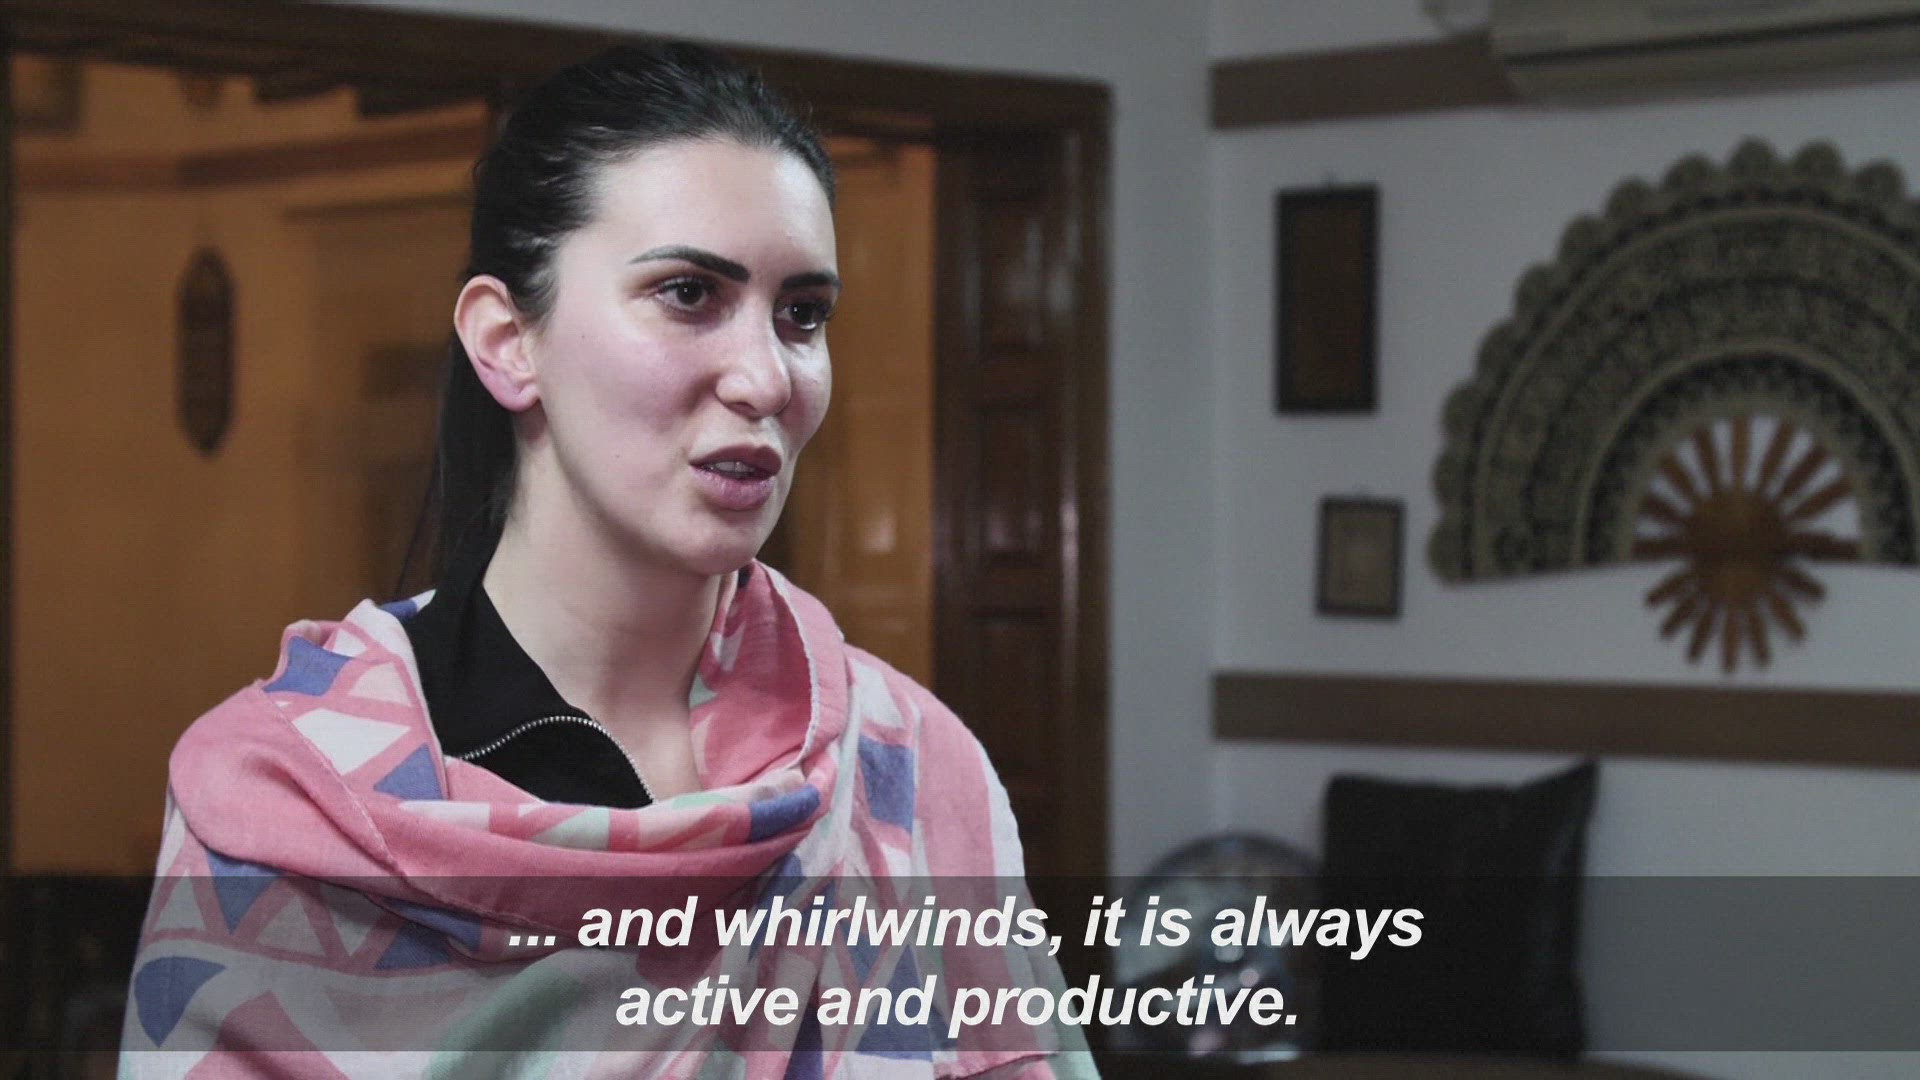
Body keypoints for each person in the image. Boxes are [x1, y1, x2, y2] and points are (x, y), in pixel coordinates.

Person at [121, 43, 1091, 1079]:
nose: (767, 378)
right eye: (688, 294)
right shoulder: (288, 797)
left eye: (802, 314)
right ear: (508, 341)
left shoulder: (905, 767)